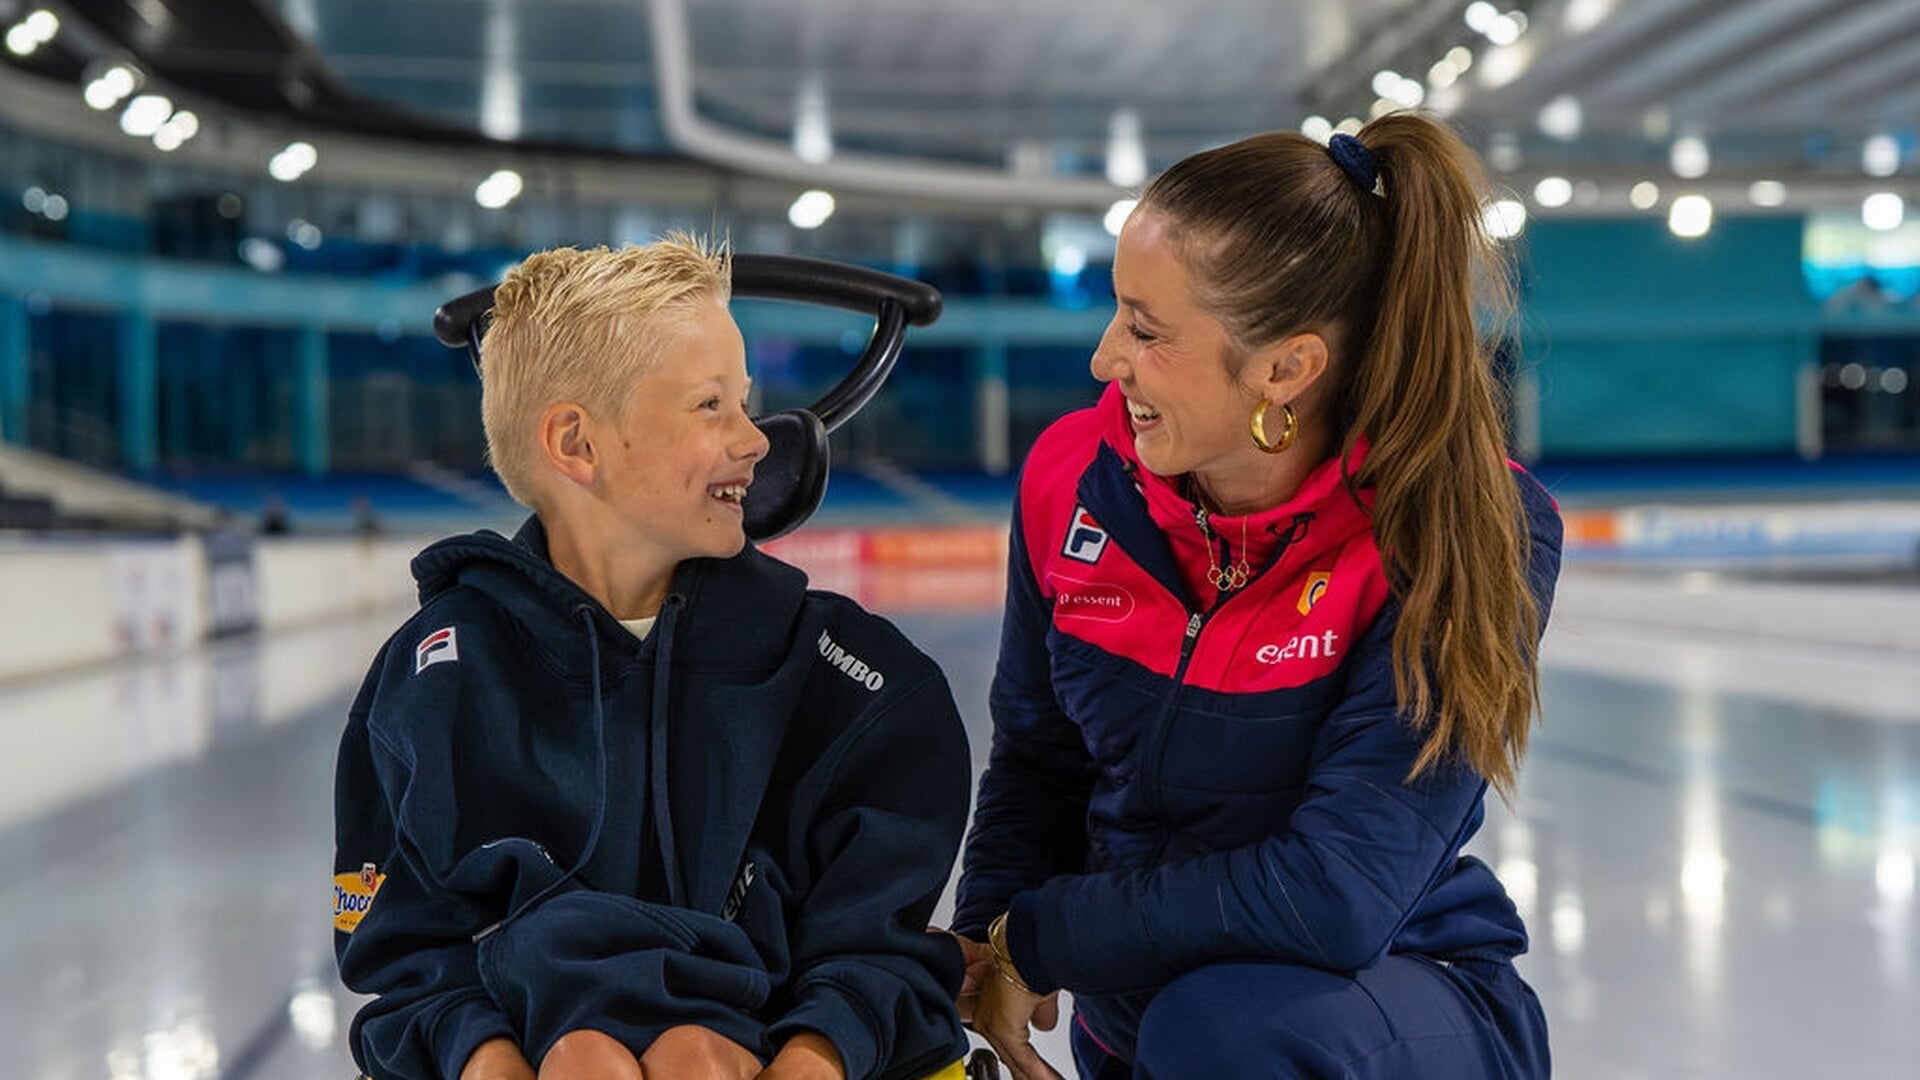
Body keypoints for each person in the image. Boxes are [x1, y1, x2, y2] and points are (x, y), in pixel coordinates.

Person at [949, 113, 1563, 1079]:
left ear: (1285, 368)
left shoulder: (1460, 522)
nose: (1106, 358)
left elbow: (1338, 893)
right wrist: (985, 942)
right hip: (1150, 1022)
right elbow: (1039, 757)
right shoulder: (1072, 477)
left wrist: (1045, 935)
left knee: (1220, 1031)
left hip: (1383, 1000)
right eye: (1117, 313)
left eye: (1146, 330)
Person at [333, 238, 973, 1080]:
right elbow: (409, 956)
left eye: (746, 401)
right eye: (711, 406)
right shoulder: (433, 682)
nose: (758, 439)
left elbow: (878, 950)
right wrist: (486, 1060)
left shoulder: (859, 684)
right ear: (577, 444)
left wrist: (812, 1057)